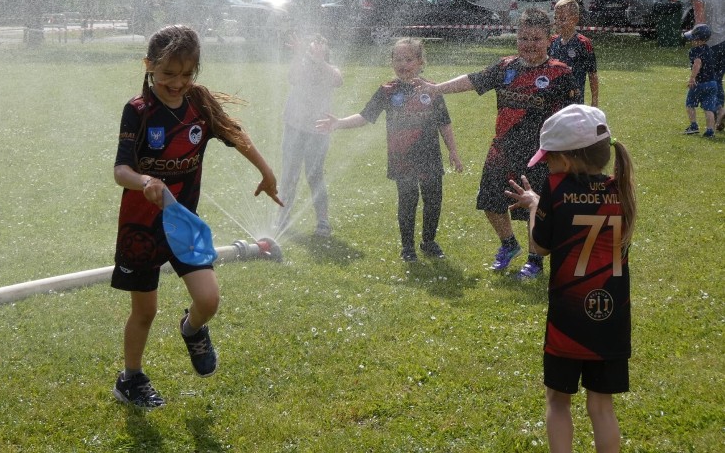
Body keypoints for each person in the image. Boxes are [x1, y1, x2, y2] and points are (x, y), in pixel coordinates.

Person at [111, 25, 283, 409]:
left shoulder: (199, 102)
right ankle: (131, 378)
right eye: (168, 73)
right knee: (145, 311)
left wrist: (266, 172)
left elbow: (234, 133)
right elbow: (120, 170)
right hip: (140, 227)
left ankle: (192, 330)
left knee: (209, 300)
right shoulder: (137, 110)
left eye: (187, 74)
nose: (177, 83)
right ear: (149, 66)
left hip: (183, 225)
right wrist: (145, 181)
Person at [505, 104, 636, 453]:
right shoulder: (620, 186)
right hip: (613, 315)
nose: (547, 165)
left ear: (566, 159)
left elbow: (540, 246)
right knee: (601, 408)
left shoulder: (556, 187)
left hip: (569, 320)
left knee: (558, 401)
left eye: (549, 159)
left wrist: (534, 205)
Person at [415, 8, 577, 279]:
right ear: (517, 38)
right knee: (490, 202)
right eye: (524, 38)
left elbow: (575, 117)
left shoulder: (560, 74)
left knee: (535, 207)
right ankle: (509, 245)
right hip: (502, 149)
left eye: (536, 39)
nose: (529, 45)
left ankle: (535, 261)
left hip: (540, 155)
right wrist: (437, 88)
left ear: (549, 40)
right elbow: (473, 80)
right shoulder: (505, 67)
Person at [316, 38, 463, 262]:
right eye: (398, 59)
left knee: (433, 200)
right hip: (402, 157)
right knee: (408, 199)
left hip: (430, 156)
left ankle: (429, 241)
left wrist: (453, 151)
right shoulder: (387, 91)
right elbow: (365, 116)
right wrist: (338, 123)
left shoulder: (431, 89)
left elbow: (444, 122)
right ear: (391, 62)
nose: (403, 64)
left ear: (420, 62)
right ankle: (408, 247)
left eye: (408, 59)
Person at [276, 33, 343, 237]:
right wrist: (299, 55)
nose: (313, 52)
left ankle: (323, 222)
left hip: (318, 130)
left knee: (314, 175)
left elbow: (338, 80)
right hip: (294, 127)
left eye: (319, 48)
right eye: (311, 48)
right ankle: (282, 219)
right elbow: (292, 77)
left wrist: (320, 60)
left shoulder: (330, 69)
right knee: (289, 175)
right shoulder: (301, 66)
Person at [686, 0, 725, 131]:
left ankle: (719, 110)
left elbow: (700, 21)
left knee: (711, 79)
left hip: (710, 43)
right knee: (718, 78)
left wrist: (696, 40)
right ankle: (719, 113)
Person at [549, 0, 599, 106]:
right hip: (552, 101)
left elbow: (592, 74)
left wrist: (594, 101)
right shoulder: (552, 41)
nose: (558, 22)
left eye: (562, 19)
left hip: (574, 102)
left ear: (575, 19)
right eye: (555, 18)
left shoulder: (583, 43)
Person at [681, 24, 718, 137]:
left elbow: (697, 63)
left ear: (697, 39)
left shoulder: (695, 51)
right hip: (712, 83)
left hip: (699, 83)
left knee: (690, 104)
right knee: (709, 108)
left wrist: (692, 78)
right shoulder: (709, 49)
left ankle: (693, 126)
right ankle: (710, 131)